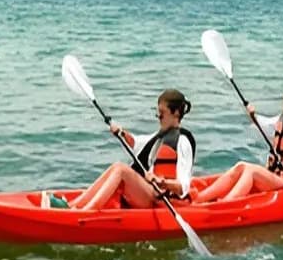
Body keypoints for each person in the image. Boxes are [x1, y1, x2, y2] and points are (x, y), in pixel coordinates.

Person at [66, 89, 197, 210]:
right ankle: (73, 205)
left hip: (164, 200)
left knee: (121, 169)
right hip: (150, 192)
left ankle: (87, 211)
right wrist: (121, 132)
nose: (158, 117)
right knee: (116, 167)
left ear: (176, 113)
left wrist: (161, 182)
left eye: (162, 114)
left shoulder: (183, 142)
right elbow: (136, 143)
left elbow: (183, 187)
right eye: (158, 113)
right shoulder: (161, 135)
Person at [195, 78, 283, 202]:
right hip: (275, 175)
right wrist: (253, 116)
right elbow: (265, 126)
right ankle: (199, 198)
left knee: (251, 171)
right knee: (241, 166)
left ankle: (225, 204)